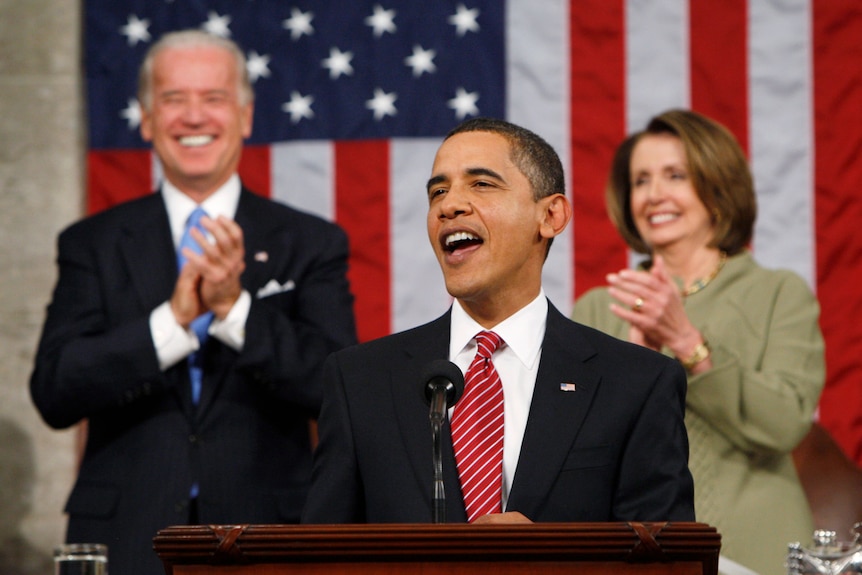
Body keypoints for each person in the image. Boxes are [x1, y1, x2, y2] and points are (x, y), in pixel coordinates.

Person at [30, 30, 357, 575]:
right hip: (126, 535)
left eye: (213, 98)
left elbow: (337, 393)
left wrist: (234, 310)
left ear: (246, 117)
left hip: (268, 538)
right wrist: (173, 321)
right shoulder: (92, 243)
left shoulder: (311, 242)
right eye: (173, 99)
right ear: (147, 118)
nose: (193, 117)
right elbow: (55, 390)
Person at [302, 117, 694, 524]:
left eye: (481, 184)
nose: (449, 205)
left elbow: (665, 562)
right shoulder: (359, 382)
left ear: (551, 216)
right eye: (438, 191)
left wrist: (547, 562)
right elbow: (319, 561)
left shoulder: (637, 383)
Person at [573, 109, 825, 575]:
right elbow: (576, 453)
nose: (654, 195)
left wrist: (688, 343)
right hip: (629, 555)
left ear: (718, 186)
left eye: (675, 175)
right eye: (641, 180)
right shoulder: (596, 308)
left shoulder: (778, 293)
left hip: (757, 551)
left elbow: (786, 423)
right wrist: (639, 363)